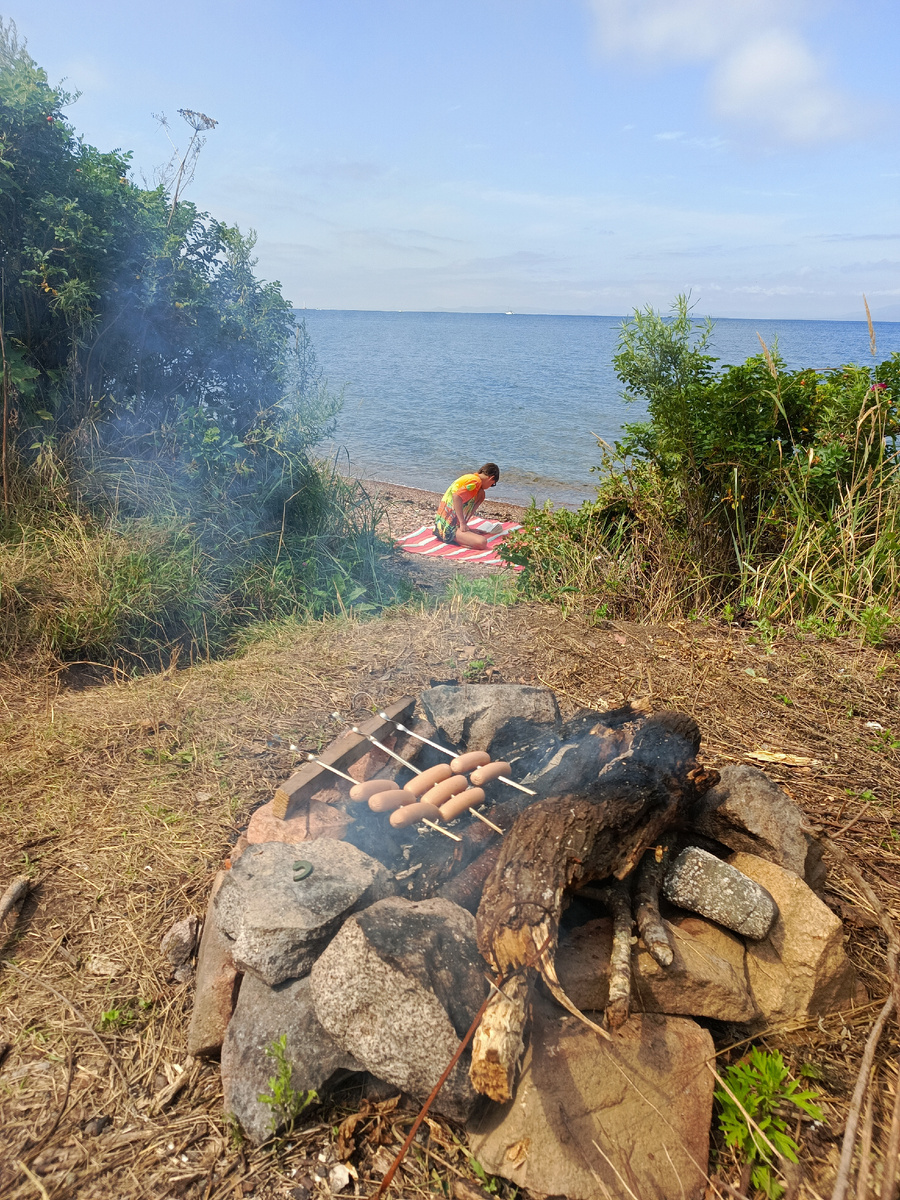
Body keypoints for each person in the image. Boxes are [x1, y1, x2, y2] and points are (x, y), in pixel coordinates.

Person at [433, 463, 500, 549]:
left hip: (441, 523)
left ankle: (463, 532)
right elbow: (456, 496)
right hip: (447, 528)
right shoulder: (476, 482)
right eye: (492, 484)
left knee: (481, 494)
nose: (490, 487)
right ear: (491, 478)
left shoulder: (470, 477)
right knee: (482, 542)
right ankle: (459, 537)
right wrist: (462, 522)